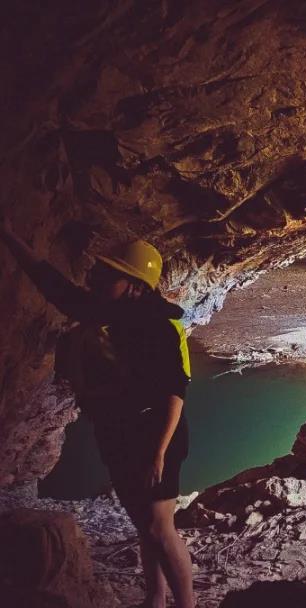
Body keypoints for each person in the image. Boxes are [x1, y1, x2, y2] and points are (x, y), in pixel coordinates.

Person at [1, 217, 195, 608]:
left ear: (135, 286)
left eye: (110, 275)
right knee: (143, 524)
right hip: (119, 431)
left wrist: (158, 453)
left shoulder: (157, 328)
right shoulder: (107, 311)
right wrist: (9, 233)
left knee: (160, 527)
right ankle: (155, 599)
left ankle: (187, 604)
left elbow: (175, 393)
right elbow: (52, 284)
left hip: (156, 433)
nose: (98, 280)